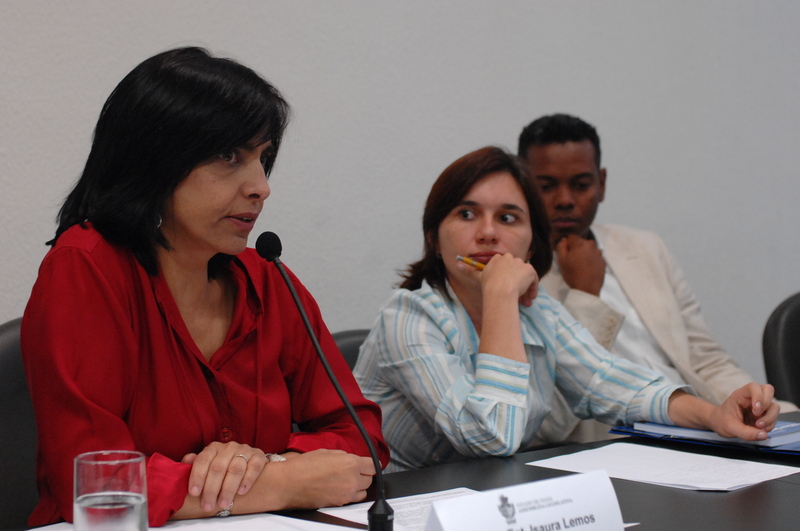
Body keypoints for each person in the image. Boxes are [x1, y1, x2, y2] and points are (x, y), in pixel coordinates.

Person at [21, 47, 388, 527]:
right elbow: (95, 483)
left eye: (263, 158)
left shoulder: (266, 278)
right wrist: (278, 482)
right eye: (229, 156)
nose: (261, 187)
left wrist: (266, 464)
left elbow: (361, 438)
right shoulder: (87, 268)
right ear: (153, 161)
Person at [353, 146, 778, 472]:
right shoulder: (407, 316)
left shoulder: (541, 312)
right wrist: (500, 297)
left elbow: (617, 386)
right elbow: (489, 437)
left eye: (508, 218)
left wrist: (713, 414)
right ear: (433, 237)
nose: (487, 233)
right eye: (467, 214)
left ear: (531, 244)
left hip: (490, 500)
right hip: (397, 506)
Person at [517, 113, 795, 443]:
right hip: (614, 437)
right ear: (524, 188)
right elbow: (548, 416)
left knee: (787, 422)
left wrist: (759, 406)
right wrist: (586, 296)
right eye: (546, 186)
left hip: (698, 418)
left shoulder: (645, 247)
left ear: (601, 183)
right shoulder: (519, 280)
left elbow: (705, 359)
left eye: (580, 185)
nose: (565, 200)